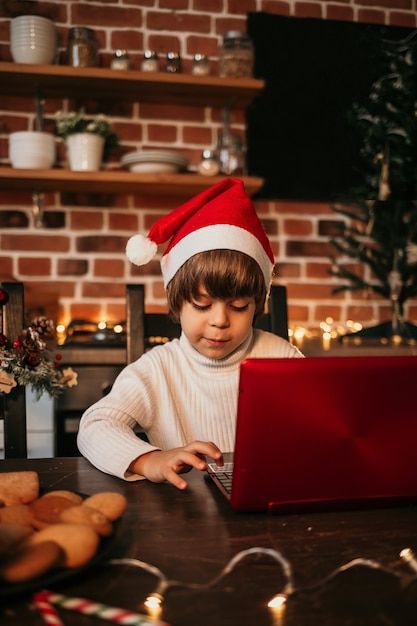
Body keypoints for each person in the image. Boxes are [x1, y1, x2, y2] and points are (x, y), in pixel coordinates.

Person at [77, 178, 303, 489]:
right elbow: (94, 426)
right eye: (201, 304)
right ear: (178, 303)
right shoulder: (156, 370)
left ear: (256, 305)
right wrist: (150, 459)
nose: (220, 321)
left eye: (238, 306)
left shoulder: (284, 359)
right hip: (184, 515)